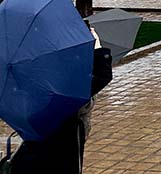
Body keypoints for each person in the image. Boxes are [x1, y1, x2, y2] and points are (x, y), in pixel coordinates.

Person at [11, 28, 113, 173]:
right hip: (58, 143)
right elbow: (101, 77)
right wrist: (97, 47)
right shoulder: (56, 83)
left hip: (39, 141)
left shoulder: (31, 66)